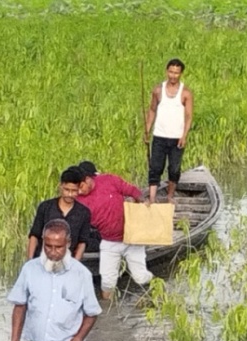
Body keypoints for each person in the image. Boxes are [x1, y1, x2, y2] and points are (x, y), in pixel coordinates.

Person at [77, 161, 153, 300]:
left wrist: (143, 201)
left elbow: (132, 190)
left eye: (80, 186)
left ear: (88, 180)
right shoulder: (79, 200)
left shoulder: (109, 180)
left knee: (141, 277)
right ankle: (107, 310)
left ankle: (156, 287)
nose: (79, 191)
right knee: (107, 282)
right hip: (109, 241)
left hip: (132, 238)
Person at [145, 58, 193, 204]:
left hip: (176, 137)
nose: (173, 76)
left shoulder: (185, 93)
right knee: (156, 167)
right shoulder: (158, 90)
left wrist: (184, 136)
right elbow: (152, 110)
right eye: (171, 72)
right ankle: (152, 197)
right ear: (167, 71)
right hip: (159, 135)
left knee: (174, 169)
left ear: (181, 74)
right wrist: (147, 130)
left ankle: (170, 196)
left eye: (176, 73)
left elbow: (189, 117)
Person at [27, 167, 91, 260]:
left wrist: (75, 265)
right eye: (66, 190)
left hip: (68, 262)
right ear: (60, 186)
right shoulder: (45, 207)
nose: (69, 194)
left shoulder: (83, 213)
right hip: (43, 260)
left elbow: (82, 242)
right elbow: (34, 235)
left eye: (74, 191)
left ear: (79, 188)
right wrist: (30, 260)